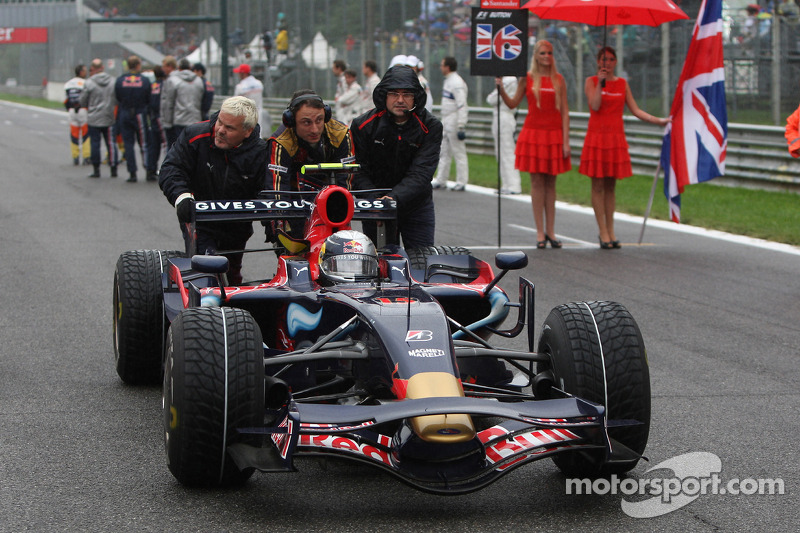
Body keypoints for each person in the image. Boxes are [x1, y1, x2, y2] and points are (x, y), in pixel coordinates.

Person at [158, 96, 267, 285]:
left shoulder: (261, 152)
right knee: (206, 270)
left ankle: (231, 309)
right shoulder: (194, 136)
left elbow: (269, 190)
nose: (220, 131)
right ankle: (201, 310)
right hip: (200, 220)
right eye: (220, 123)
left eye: (230, 128)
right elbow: (171, 169)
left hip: (237, 224)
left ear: (247, 131)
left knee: (231, 274)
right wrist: (182, 197)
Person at [580, 46, 670, 249]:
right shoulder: (591, 82)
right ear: (598, 61)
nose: (607, 63)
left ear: (616, 62)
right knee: (598, 185)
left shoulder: (622, 83)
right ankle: (602, 231)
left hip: (615, 138)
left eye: (611, 59)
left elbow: (636, 109)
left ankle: (611, 230)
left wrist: (659, 121)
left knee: (611, 186)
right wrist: (600, 83)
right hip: (597, 137)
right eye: (604, 59)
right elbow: (594, 105)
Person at [349, 65, 443, 249]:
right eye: (394, 94)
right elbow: (357, 170)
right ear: (384, 95)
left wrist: (393, 199)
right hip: (375, 204)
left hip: (416, 205)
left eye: (407, 94)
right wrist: (376, 202)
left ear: (416, 96)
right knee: (378, 267)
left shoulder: (431, 126)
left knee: (422, 266)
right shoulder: (363, 126)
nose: (400, 100)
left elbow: (422, 172)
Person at [497, 39, 571, 248]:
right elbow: (512, 103)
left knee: (551, 183)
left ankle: (551, 231)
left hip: (554, 135)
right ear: (536, 56)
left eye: (549, 53)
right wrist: (501, 88)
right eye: (543, 54)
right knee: (537, 183)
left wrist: (566, 140)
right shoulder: (527, 79)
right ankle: (540, 232)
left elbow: (565, 111)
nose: (547, 57)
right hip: (533, 134)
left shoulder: (559, 80)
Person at [266, 90, 355, 239]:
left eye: (319, 120)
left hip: (331, 199)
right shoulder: (281, 141)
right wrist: (282, 230)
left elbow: (345, 183)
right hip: (294, 201)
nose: (314, 129)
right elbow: (277, 192)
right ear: (292, 121)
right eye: (306, 122)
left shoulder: (341, 133)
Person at [431, 56, 468, 191]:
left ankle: (461, 181)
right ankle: (441, 179)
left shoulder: (457, 82)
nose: (440, 68)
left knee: (458, 152)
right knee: (444, 152)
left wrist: (461, 124)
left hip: (454, 119)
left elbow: (462, 105)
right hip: (445, 119)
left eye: (442, 65)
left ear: (448, 67)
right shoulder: (448, 81)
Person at [115, 55, 151, 182]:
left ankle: (132, 173)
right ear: (138, 65)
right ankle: (148, 170)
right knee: (144, 143)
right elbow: (148, 98)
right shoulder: (144, 80)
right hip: (139, 113)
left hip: (125, 113)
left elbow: (118, 97)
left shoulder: (120, 80)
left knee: (128, 144)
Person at [80, 58, 118, 178]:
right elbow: (117, 98)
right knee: (111, 143)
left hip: (94, 117)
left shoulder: (89, 82)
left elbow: (82, 101)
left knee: (95, 144)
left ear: (93, 69)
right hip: (109, 116)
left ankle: (96, 169)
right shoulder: (113, 81)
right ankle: (113, 168)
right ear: (103, 67)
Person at [486, 75, 522, 196]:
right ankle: (506, 184)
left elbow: (492, 99)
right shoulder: (504, 80)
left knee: (507, 152)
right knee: (500, 153)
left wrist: (496, 91)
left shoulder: (509, 79)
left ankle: (514, 185)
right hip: (499, 116)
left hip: (505, 117)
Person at [161, 58, 204, 147]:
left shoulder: (173, 80)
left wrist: (167, 122)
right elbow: (202, 101)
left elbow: (169, 103)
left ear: (179, 68)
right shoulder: (199, 80)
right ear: (190, 68)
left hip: (179, 120)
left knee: (176, 149)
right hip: (195, 120)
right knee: (193, 149)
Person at [64, 63, 90, 166]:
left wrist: (70, 109)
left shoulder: (68, 84)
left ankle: (75, 156)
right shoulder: (86, 83)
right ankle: (86, 156)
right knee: (86, 134)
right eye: (85, 70)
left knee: (74, 135)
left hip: (71, 111)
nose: (86, 72)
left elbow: (65, 100)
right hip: (83, 110)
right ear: (81, 72)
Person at [233, 63, 266, 138]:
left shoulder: (240, 87)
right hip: (258, 112)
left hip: (245, 114)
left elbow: (234, 103)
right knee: (258, 135)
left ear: (243, 74)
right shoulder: (259, 83)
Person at [145, 65, 166, 181]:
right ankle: (166, 170)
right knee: (165, 144)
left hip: (152, 117)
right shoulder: (165, 85)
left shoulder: (152, 85)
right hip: (160, 116)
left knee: (153, 145)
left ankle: (150, 169)